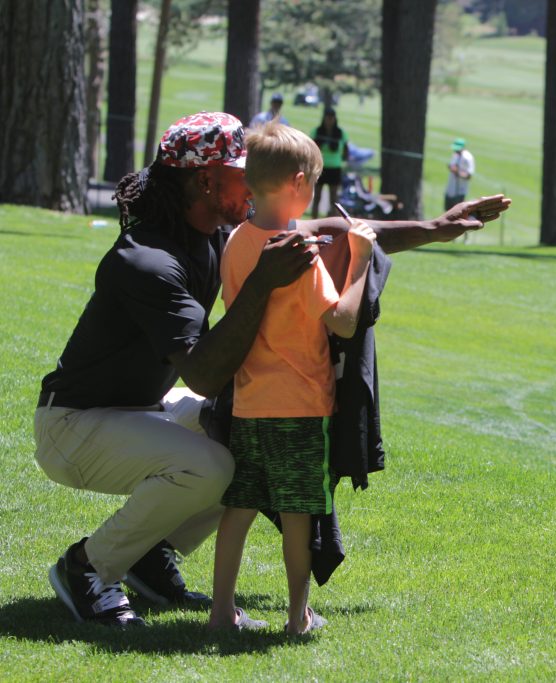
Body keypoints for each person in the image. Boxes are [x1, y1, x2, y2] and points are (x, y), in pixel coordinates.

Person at [33, 109, 511, 627]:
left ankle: (150, 553)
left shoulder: (223, 230)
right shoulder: (146, 259)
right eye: (246, 169)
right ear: (206, 179)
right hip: (76, 426)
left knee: (242, 434)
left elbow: (337, 231)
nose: (259, 179)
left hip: (138, 413)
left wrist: (436, 228)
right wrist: (262, 283)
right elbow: (203, 374)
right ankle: (87, 567)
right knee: (215, 465)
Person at [206, 123, 372, 634]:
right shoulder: (300, 252)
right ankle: (297, 617)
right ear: (300, 183)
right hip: (300, 404)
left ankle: (219, 615)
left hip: (250, 399)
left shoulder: (236, 240)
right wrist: (361, 260)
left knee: (239, 508)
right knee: (299, 516)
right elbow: (342, 320)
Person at [310, 107, 348, 218]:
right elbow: (311, 147)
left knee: (334, 199)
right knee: (317, 197)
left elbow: (346, 149)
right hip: (320, 167)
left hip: (335, 168)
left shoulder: (340, 133)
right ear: (324, 118)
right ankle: (314, 221)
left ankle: (332, 222)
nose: (329, 120)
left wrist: (343, 161)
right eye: (328, 117)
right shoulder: (317, 131)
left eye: (331, 117)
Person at [444, 137, 475, 211]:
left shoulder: (468, 158)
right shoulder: (455, 155)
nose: (455, 150)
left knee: (456, 214)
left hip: (459, 191)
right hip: (450, 189)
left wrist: (457, 172)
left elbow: (468, 175)